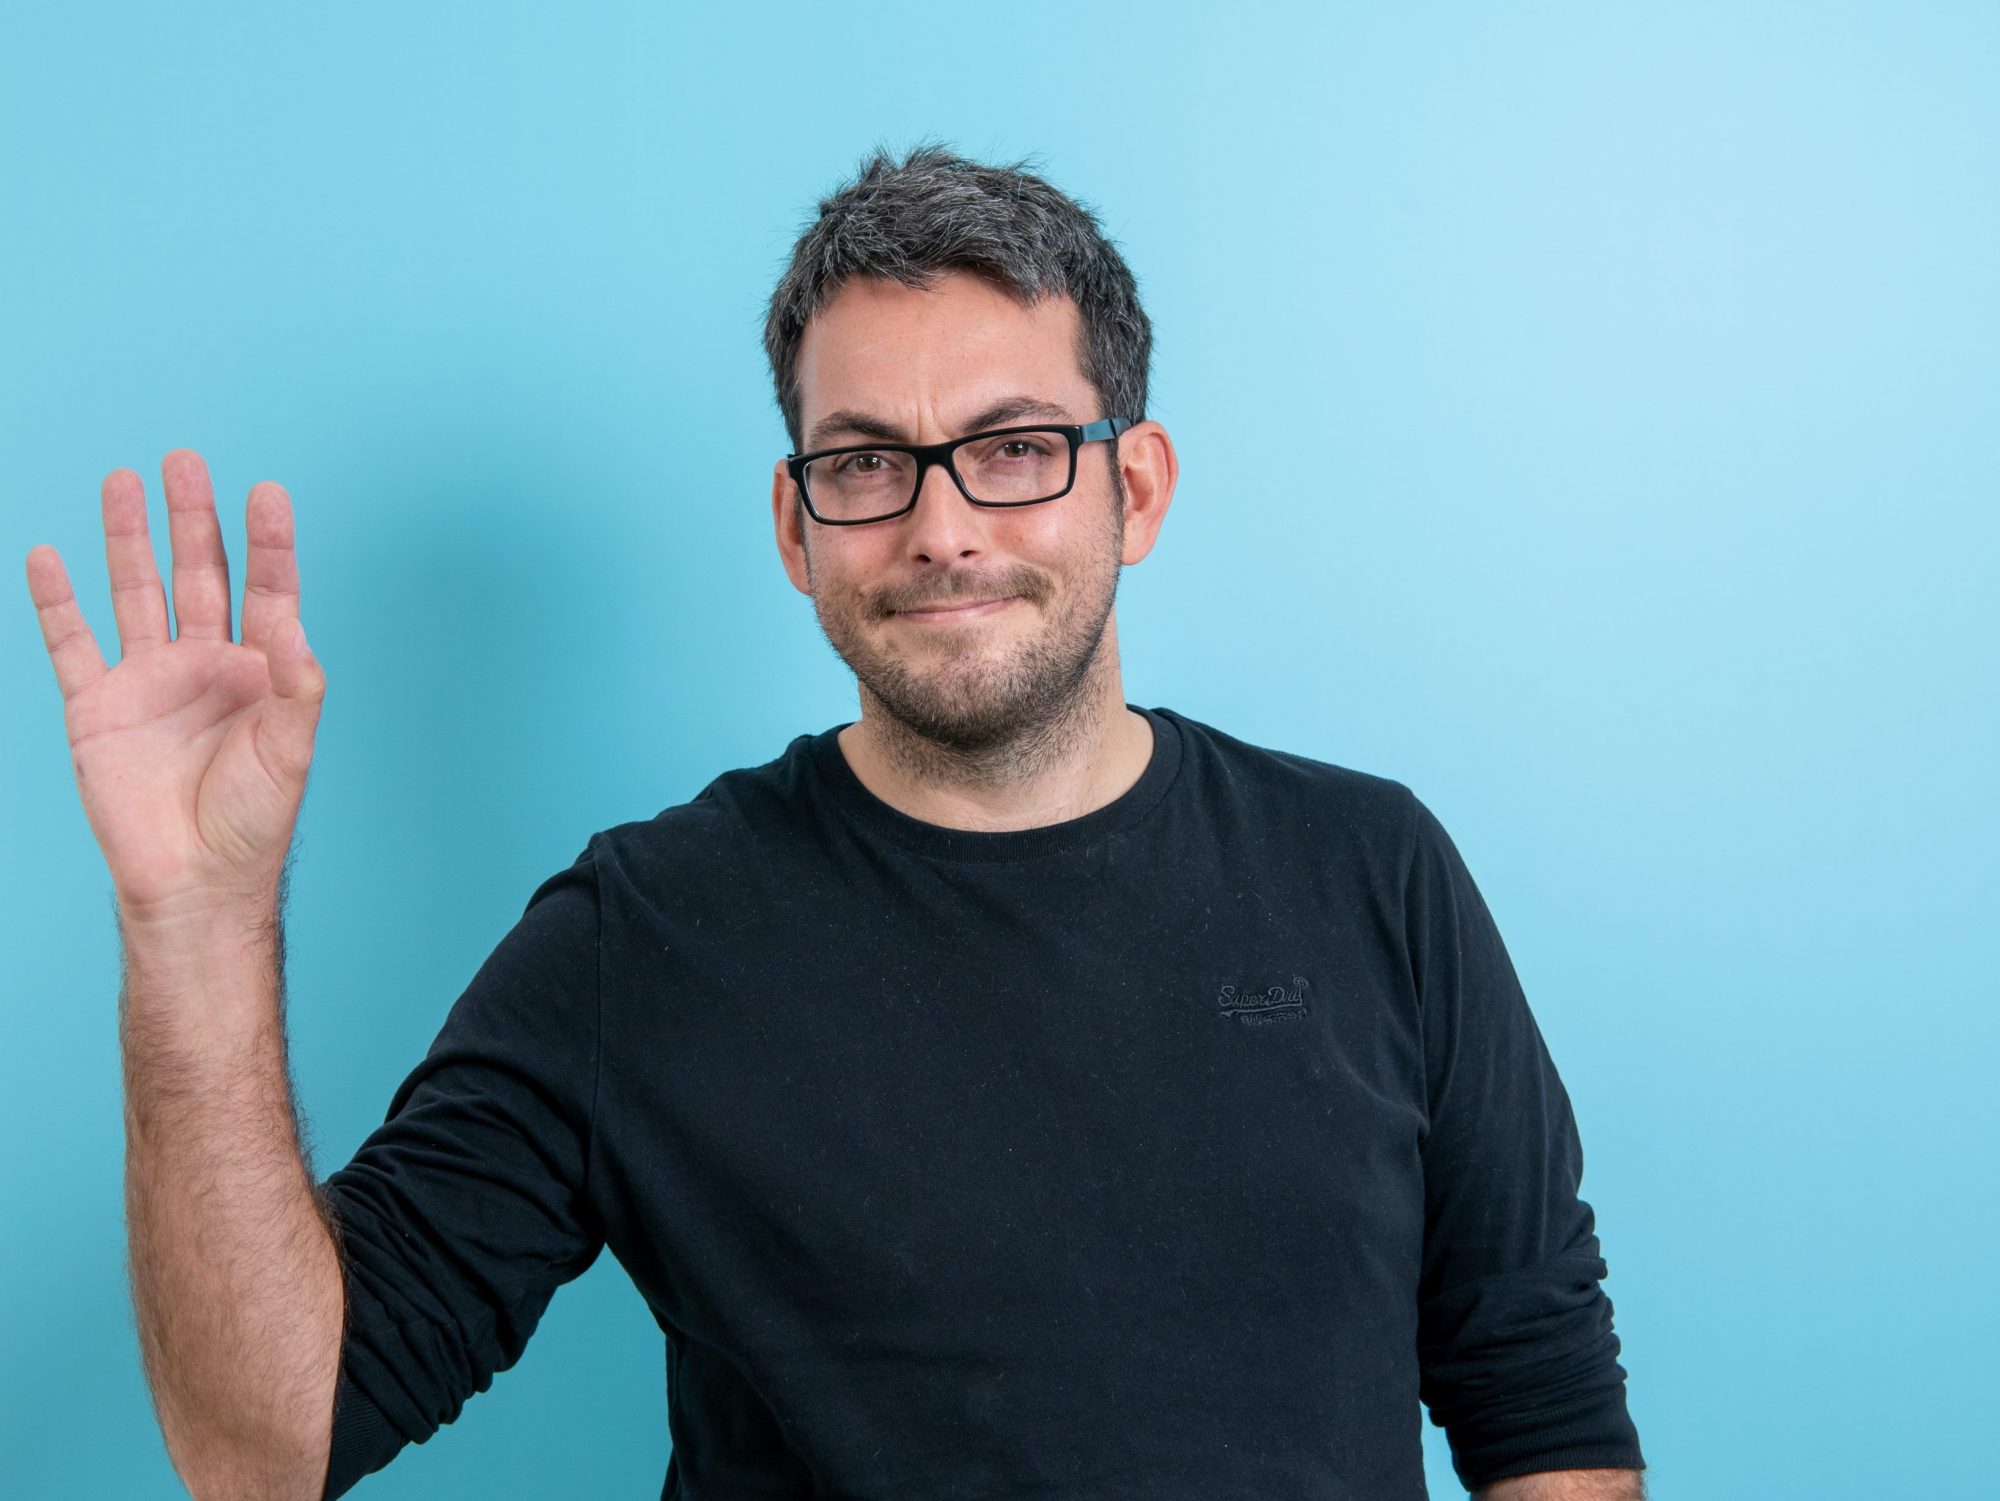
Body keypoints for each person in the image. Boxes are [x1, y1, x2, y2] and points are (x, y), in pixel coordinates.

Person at [27, 143, 1647, 1501]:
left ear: (1135, 487)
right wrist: (195, 928)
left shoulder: (1373, 872)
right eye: (867, 463)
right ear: (797, 527)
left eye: (1015, 449)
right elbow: (262, 1444)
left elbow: (1546, 1409)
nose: (941, 527)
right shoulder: (642, 933)